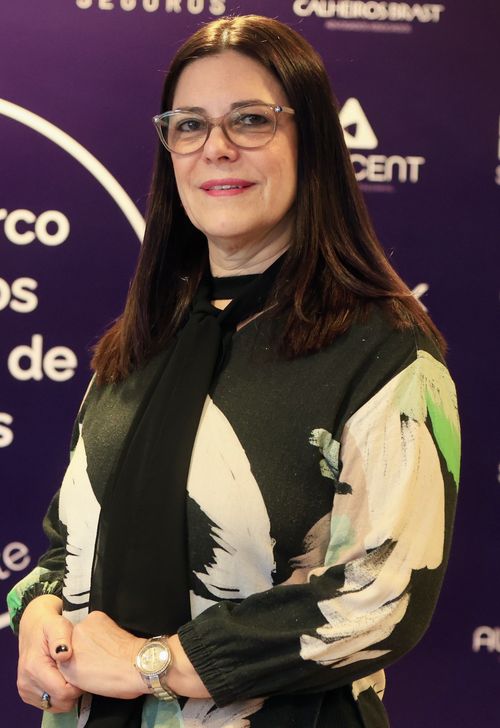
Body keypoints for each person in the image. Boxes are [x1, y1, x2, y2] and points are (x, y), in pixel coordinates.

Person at [8, 14, 460, 728]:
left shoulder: (383, 351)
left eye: (250, 120)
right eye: (189, 125)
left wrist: (150, 663)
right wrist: (38, 612)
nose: (215, 147)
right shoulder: (136, 345)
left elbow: (382, 593)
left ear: (312, 141)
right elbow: (69, 547)